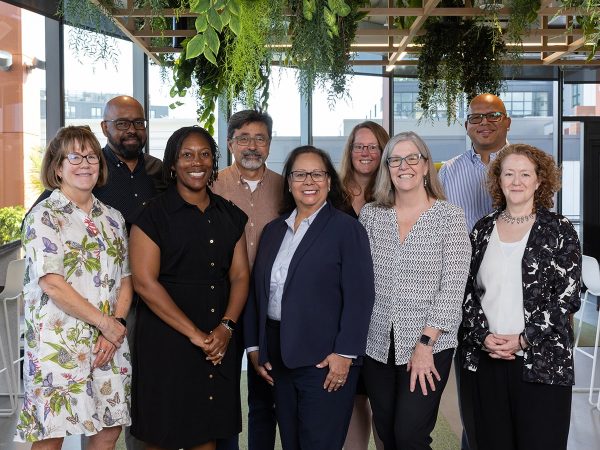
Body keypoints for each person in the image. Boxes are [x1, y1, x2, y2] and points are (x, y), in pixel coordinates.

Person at [244, 146, 375, 450]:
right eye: (300, 174)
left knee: (319, 443)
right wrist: (254, 346)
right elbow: (258, 293)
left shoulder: (347, 229)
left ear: (329, 181)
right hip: (277, 357)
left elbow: (361, 296)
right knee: (292, 442)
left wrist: (345, 354)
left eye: (317, 174)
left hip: (326, 360)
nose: (309, 181)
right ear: (288, 182)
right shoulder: (274, 230)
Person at [129, 126, 250, 450]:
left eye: (204, 154)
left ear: (213, 162)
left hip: (217, 341)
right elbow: (144, 282)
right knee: (160, 434)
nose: (196, 161)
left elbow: (240, 276)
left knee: (205, 433)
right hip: (164, 341)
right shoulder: (152, 214)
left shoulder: (230, 215)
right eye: (187, 154)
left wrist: (225, 327)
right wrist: (196, 334)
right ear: (172, 164)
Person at [15, 126, 130, 448]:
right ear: (57, 167)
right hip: (59, 342)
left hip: (109, 341)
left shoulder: (113, 218)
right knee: (53, 432)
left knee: (109, 426)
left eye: (91, 156)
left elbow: (125, 279)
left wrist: (116, 325)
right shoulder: (43, 217)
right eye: (75, 156)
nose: (85, 164)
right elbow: (52, 284)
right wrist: (106, 324)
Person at [461, 143, 581, 450]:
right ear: (498, 180)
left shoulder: (559, 230)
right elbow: (467, 292)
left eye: (525, 174)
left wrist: (524, 339)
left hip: (542, 363)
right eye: (509, 173)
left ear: (540, 181)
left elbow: (567, 297)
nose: (516, 181)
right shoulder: (482, 230)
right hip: (486, 358)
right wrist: (482, 335)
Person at [359, 131, 471, 449]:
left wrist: (425, 344)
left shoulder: (449, 217)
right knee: (387, 432)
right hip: (377, 342)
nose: (403, 166)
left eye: (412, 158)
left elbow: (453, 287)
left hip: (429, 345)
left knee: (411, 435)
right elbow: (360, 279)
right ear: (387, 167)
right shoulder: (371, 215)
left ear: (425, 167)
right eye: (395, 159)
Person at [437, 93, 511, 450]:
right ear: (466, 126)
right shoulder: (449, 171)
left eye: (492, 116)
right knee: (471, 382)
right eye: (475, 118)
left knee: (509, 382)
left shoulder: (523, 163)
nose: (483, 123)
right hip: (463, 292)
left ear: (507, 121)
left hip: (512, 293)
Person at [211, 110, 283, 450]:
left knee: (264, 393)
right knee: (222, 393)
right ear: (230, 143)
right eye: (243, 139)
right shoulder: (211, 185)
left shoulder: (287, 187)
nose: (251, 146)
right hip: (222, 302)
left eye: (260, 139)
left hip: (270, 305)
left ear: (269, 144)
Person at [338, 121, 388, 450]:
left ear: (384, 152)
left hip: (385, 313)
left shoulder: (395, 195)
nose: (366, 153)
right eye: (359, 146)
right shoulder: (332, 193)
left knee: (386, 407)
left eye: (373, 147)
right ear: (350, 151)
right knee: (352, 401)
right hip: (343, 314)